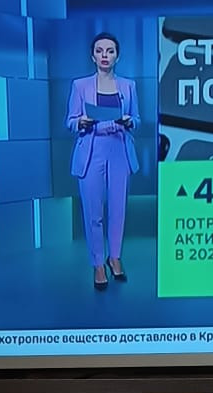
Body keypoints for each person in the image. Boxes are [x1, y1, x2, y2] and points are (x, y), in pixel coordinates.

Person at [66, 32, 140, 293]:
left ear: (117, 56)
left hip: (119, 146)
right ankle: (98, 263)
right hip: (92, 147)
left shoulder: (128, 86)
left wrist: (130, 121)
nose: (104, 55)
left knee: (118, 209)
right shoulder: (80, 85)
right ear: (93, 56)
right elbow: (70, 121)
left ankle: (115, 257)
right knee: (93, 212)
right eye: (99, 51)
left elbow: (137, 119)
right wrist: (80, 122)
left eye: (110, 51)